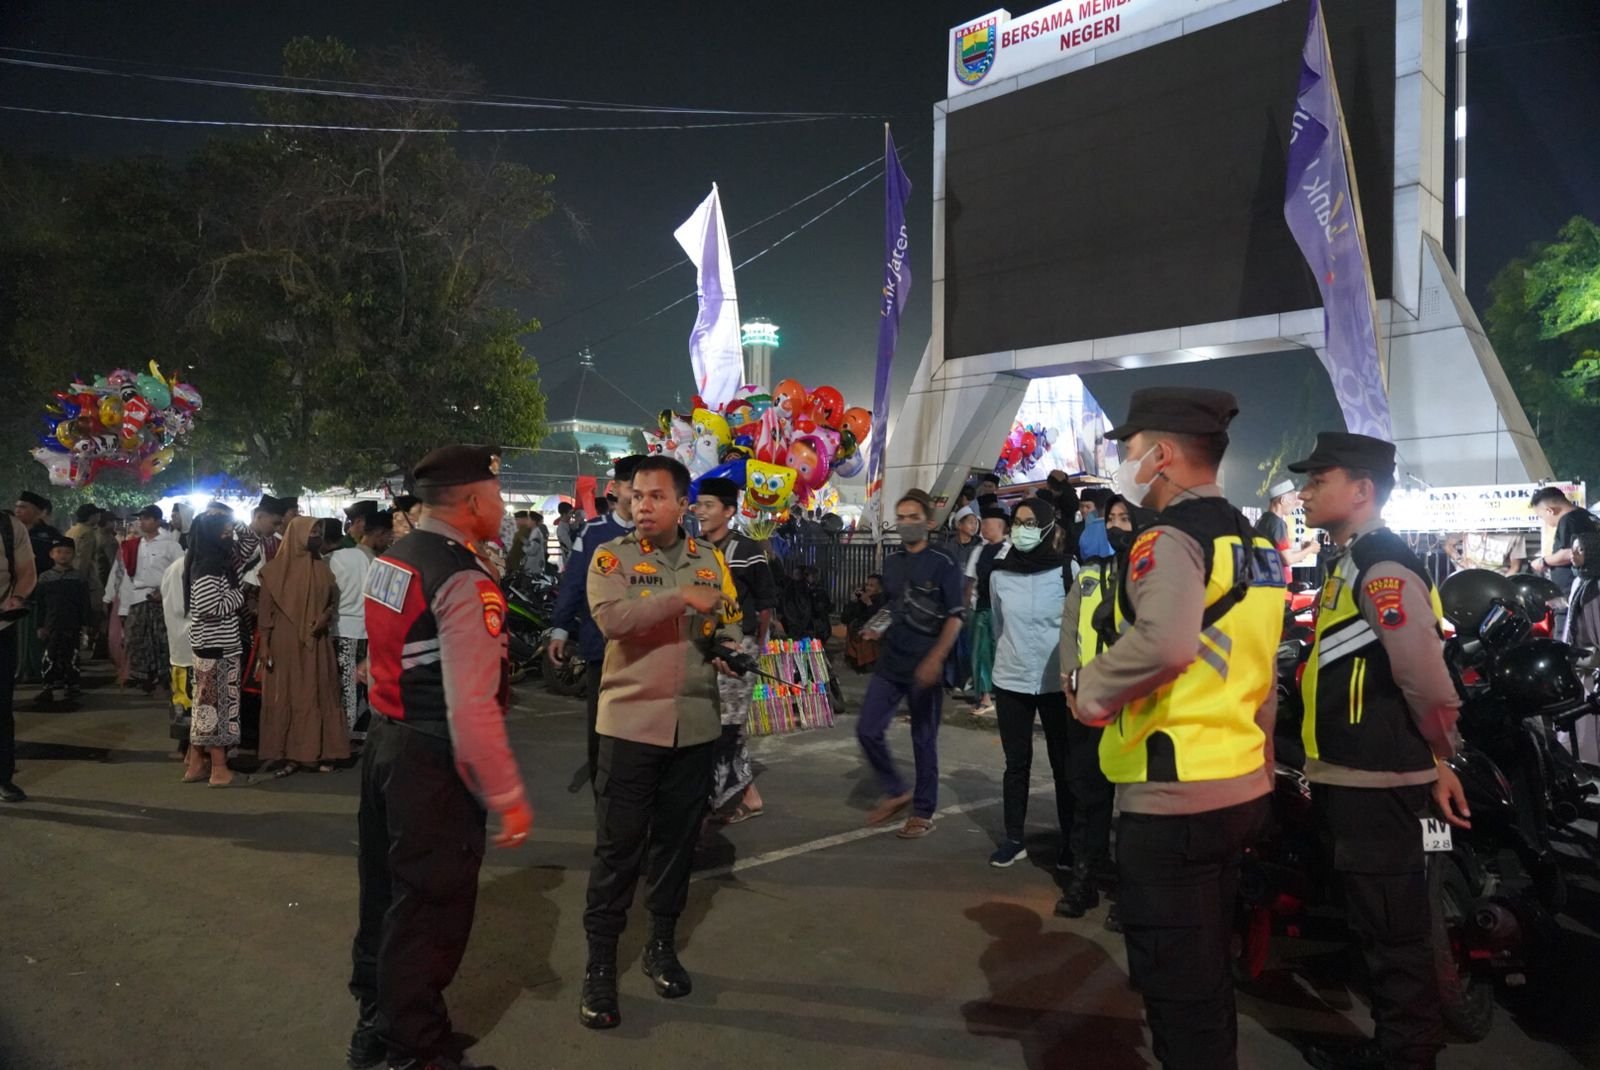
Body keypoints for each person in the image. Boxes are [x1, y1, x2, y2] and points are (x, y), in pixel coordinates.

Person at [1071, 388, 1284, 1070]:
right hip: (1241, 784)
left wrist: (1090, 690)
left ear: (1160, 455)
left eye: (1131, 450)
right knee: (1207, 973)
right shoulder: (1261, 546)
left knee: (1176, 992)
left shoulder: (1166, 540)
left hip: (1173, 796)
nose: (1127, 463)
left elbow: (1165, 646)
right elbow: (1265, 668)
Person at [1289, 433, 1471, 1070]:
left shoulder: (1383, 567)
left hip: (1382, 785)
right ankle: (1398, 1046)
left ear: (1362, 490)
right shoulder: (1348, 560)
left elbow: (1428, 683)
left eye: (1318, 480)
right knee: (1379, 927)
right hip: (1362, 777)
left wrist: (1439, 756)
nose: (1305, 492)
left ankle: (1406, 1055)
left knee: (1395, 934)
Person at [348, 445, 531, 1070]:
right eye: (498, 494)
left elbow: (376, 660)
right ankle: (415, 1048)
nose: (502, 506)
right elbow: (472, 707)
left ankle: (376, 1024)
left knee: (386, 894)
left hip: (386, 743)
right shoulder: (462, 576)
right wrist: (506, 795)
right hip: (432, 757)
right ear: (475, 500)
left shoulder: (392, 559)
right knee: (430, 907)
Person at [578, 455, 742, 1030]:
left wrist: (731, 646)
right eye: (636, 496)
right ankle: (600, 966)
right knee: (618, 850)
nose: (640, 505)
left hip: (695, 725)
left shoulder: (709, 559)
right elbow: (614, 621)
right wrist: (680, 600)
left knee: (676, 847)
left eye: (654, 497)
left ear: (681, 504)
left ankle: (660, 947)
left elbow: (726, 617)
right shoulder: (611, 557)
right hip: (628, 726)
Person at [988, 498, 1090, 879]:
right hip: (1012, 679)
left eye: (1031, 522)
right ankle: (1013, 838)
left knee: (1064, 766)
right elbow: (1000, 626)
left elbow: (1077, 629)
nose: (1022, 529)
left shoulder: (1068, 570)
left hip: (1054, 682)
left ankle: (1070, 842)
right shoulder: (999, 575)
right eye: (1017, 522)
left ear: (1048, 527)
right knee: (1016, 765)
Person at [855, 489, 966, 839]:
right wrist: (875, 628)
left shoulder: (944, 563)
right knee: (867, 729)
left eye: (912, 517)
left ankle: (922, 810)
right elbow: (895, 606)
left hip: (925, 666)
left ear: (929, 522)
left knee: (923, 740)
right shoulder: (892, 562)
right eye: (900, 518)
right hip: (892, 662)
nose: (905, 524)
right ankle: (896, 790)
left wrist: (936, 658)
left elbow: (955, 616)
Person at [1056, 495, 1134, 919]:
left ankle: (1130, 892)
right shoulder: (1088, 575)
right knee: (1088, 794)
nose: (1117, 526)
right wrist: (1068, 678)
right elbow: (1069, 628)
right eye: (1113, 519)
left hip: (1133, 704)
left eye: (1126, 518)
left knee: (1135, 805)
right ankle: (1085, 880)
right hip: (1088, 699)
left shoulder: (1149, 576)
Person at [550, 455, 642, 787]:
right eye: (633, 487)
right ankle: (603, 796)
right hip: (601, 647)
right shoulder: (593, 533)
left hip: (649, 651)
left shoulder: (663, 534)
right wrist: (560, 628)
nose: (639, 495)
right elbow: (574, 582)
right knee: (601, 730)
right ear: (615, 489)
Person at [693, 475, 780, 823]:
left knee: (726, 727)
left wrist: (753, 651)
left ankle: (712, 800)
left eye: (709, 505)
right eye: (699, 504)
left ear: (729, 511)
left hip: (737, 647)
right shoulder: (693, 549)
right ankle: (749, 796)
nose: (700, 511)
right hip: (703, 647)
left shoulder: (747, 551)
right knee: (716, 724)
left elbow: (765, 605)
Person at [257, 515, 348, 776]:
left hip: (317, 642)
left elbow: (332, 602)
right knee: (288, 693)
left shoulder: (322, 568)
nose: (317, 536)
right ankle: (287, 752)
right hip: (285, 642)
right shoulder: (274, 571)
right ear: (296, 534)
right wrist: (265, 645)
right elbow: (266, 612)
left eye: (319, 531)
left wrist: (325, 617)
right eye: (312, 531)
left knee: (318, 691)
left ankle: (318, 751)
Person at [184, 513, 245, 788]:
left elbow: (250, 540)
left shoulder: (210, 561)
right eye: (224, 532)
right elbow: (209, 607)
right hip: (216, 645)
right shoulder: (209, 567)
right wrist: (240, 595)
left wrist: (230, 520)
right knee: (216, 707)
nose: (230, 536)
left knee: (205, 705)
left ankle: (196, 763)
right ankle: (219, 769)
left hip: (211, 644)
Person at [328, 508, 393, 750]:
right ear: (379, 533)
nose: (389, 541)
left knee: (344, 684)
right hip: (364, 632)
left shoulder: (337, 558)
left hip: (339, 628)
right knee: (355, 685)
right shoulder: (378, 563)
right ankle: (349, 735)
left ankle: (343, 735)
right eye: (388, 535)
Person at [120, 506, 185, 694]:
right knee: (138, 639)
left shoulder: (170, 545)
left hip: (162, 598)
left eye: (147, 518)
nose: (142, 522)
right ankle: (144, 676)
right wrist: (124, 607)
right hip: (138, 597)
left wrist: (165, 592)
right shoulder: (134, 545)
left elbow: (180, 571)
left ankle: (165, 676)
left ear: (157, 521)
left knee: (163, 639)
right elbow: (128, 576)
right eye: (141, 519)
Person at [1, 506, 38, 802]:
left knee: (1, 707)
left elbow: (27, 572)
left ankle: (3, 778)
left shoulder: (10, 527)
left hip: (1, 624)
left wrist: (17, 598)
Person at [1530, 485, 1598, 639]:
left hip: (1571, 592)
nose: (1546, 522)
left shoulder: (1569, 520)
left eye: (1542, 517)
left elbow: (1570, 552)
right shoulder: (1586, 516)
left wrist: (1544, 561)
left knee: (1565, 635)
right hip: (1585, 591)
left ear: (1550, 510)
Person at [32, 535, 92, 706]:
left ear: (73, 555)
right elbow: (40, 605)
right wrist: (40, 625)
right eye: (58, 552)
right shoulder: (45, 578)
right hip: (50, 625)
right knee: (49, 656)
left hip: (72, 625)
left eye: (67, 552)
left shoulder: (78, 578)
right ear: (51, 554)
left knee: (71, 655)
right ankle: (48, 686)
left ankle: (72, 685)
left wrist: (86, 625)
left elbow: (84, 603)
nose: (63, 555)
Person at [12, 491, 63, 684]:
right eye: (17, 506)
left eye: (23, 507)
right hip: (12, 594)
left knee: (37, 633)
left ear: (38, 512)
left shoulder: (50, 536)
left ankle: (38, 669)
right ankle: (17, 668)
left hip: (40, 593)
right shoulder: (8, 532)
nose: (18, 511)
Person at [966, 505, 1010, 716]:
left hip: (1006, 612)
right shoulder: (979, 550)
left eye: (986, 523)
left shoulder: (1010, 550)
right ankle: (984, 696)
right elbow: (969, 580)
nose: (982, 527)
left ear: (999, 526)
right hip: (982, 608)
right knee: (981, 652)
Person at [160, 549, 195, 762]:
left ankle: (185, 746)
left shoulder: (174, 567)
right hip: (196, 642)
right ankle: (192, 748)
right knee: (191, 697)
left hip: (178, 643)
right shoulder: (199, 567)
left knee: (182, 697)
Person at [842, 573, 888, 672]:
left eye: (871, 586)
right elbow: (844, 618)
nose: (867, 588)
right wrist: (852, 602)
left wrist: (869, 604)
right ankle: (856, 661)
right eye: (867, 585)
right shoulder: (861, 599)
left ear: (879, 588)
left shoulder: (883, 600)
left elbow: (879, 621)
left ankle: (869, 663)